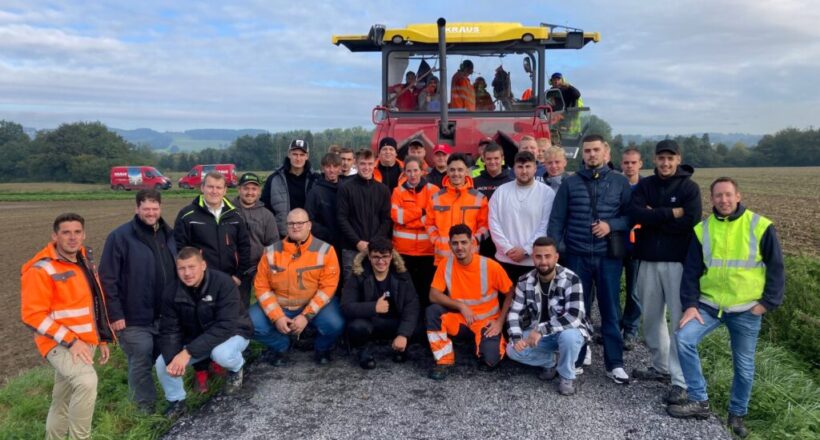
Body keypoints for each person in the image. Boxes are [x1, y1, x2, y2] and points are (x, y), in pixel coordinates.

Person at [667, 177, 784, 438]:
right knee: (683, 338)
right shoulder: (703, 229)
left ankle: (737, 414)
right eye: (718, 196)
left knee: (743, 366)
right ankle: (700, 400)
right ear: (712, 199)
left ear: (738, 196)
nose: (724, 200)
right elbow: (691, 272)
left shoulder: (760, 226)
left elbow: (776, 268)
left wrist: (766, 304)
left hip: (746, 310)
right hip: (709, 306)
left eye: (728, 195)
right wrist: (689, 305)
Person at [547, 134, 633, 384]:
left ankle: (614, 363)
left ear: (606, 153)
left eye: (596, 150)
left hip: (608, 257)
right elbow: (557, 220)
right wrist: (558, 251)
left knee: (610, 309)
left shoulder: (620, 183)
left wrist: (611, 225)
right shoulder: (570, 184)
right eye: (587, 151)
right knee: (577, 310)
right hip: (577, 256)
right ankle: (577, 357)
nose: (592, 154)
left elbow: (630, 217)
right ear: (582, 155)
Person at [21, 213, 115, 440]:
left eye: (77, 232)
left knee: (62, 400)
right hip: (59, 343)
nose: (72, 238)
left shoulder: (84, 259)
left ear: (84, 234)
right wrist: (71, 341)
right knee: (86, 381)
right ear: (55, 236)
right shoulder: (41, 269)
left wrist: (101, 338)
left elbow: (95, 300)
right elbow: (32, 315)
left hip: (85, 342)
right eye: (66, 232)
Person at [628, 140, 702, 405]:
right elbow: (635, 213)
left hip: (678, 263)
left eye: (671, 159)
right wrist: (671, 213)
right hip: (647, 260)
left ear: (678, 159)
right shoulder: (645, 186)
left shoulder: (689, 188)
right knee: (650, 319)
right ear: (655, 159)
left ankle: (680, 381)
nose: (666, 163)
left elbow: (690, 222)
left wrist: (654, 218)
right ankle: (660, 367)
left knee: (679, 321)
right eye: (661, 158)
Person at [99, 190, 177, 413]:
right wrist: (115, 314)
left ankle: (173, 399)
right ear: (137, 209)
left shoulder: (168, 235)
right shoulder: (120, 237)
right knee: (141, 356)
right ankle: (145, 408)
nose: (151, 213)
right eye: (146, 209)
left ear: (160, 209)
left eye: (155, 209)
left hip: (165, 315)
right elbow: (108, 278)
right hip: (133, 316)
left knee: (164, 357)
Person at [174, 171, 251, 391]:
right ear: (202, 188)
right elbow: (181, 249)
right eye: (210, 187)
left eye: (219, 187)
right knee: (198, 323)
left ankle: (220, 361)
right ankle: (200, 371)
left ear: (225, 190)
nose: (214, 191)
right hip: (199, 282)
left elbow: (244, 247)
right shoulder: (188, 215)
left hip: (228, 281)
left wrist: (238, 275)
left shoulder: (235, 215)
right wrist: (191, 277)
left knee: (224, 321)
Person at [156, 247, 254, 417]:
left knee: (221, 354)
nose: (187, 273)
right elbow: (169, 330)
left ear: (203, 265)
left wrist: (188, 352)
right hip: (198, 338)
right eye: (182, 268)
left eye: (191, 267)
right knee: (162, 362)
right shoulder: (171, 291)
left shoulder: (223, 283)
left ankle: (236, 368)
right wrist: (174, 358)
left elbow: (225, 326)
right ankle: (177, 401)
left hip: (234, 332)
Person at [249, 209, 344, 365]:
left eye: (300, 223)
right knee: (249, 324)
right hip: (281, 306)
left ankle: (322, 348)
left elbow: (328, 288)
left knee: (335, 323)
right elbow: (261, 287)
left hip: (313, 306)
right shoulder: (270, 252)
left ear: (309, 225)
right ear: (287, 226)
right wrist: (277, 317)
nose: (296, 227)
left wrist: (306, 316)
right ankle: (281, 345)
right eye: (291, 223)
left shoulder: (326, 250)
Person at [426, 224, 514, 380]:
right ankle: (444, 360)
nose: (459, 247)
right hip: (462, 320)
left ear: (472, 243)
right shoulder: (445, 265)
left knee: (490, 361)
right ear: (450, 245)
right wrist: (461, 306)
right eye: (455, 243)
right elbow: (433, 295)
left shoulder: (490, 266)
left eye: (463, 242)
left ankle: (481, 344)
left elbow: (510, 292)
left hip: (486, 323)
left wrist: (500, 322)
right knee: (433, 311)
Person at [506, 237, 591, 395]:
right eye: (538, 256)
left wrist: (541, 330)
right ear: (533, 257)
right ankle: (552, 361)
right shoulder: (524, 281)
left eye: (547, 256)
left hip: (565, 332)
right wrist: (517, 338)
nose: (543, 261)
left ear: (556, 257)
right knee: (511, 350)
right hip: (539, 335)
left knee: (569, 337)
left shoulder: (571, 279)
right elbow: (514, 313)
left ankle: (566, 377)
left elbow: (574, 317)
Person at [341, 238, 421, 369]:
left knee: (418, 326)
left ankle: (399, 346)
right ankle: (364, 350)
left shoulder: (401, 273)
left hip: (394, 321)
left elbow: (412, 304)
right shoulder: (358, 274)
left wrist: (403, 334)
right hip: (371, 321)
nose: (381, 261)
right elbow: (346, 306)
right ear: (369, 256)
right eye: (376, 257)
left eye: (385, 257)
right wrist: (374, 307)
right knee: (357, 326)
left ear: (391, 256)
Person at [489, 151, 555, 282]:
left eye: (528, 167)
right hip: (504, 260)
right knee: (506, 300)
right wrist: (507, 249)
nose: (524, 171)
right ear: (514, 169)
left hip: (533, 262)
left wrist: (526, 250)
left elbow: (545, 225)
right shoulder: (501, 192)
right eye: (520, 167)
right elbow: (493, 223)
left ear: (535, 168)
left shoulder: (547, 193)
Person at [390, 157, 439, 309]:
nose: (412, 174)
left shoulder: (433, 190)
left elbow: (434, 218)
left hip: (427, 251)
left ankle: (425, 325)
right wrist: (420, 211)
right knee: (405, 292)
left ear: (422, 171)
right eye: (409, 171)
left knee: (425, 291)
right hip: (404, 251)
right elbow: (396, 217)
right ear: (404, 172)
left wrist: (409, 219)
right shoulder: (397, 191)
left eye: (415, 170)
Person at [337, 149, 392, 281]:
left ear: (374, 164)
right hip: (351, 249)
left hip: (375, 251)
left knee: (374, 286)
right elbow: (341, 218)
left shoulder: (383, 190)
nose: (366, 167)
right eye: (363, 164)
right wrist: (357, 242)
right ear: (356, 163)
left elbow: (386, 219)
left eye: (369, 164)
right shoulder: (345, 188)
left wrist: (373, 244)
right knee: (351, 287)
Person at [426, 153, 489, 266]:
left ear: (466, 172)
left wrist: (473, 241)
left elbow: (485, 226)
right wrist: (437, 241)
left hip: (470, 258)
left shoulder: (479, 198)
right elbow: (429, 224)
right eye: (452, 170)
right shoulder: (436, 198)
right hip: (442, 259)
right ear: (447, 171)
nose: (456, 174)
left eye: (460, 170)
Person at [233, 172, 279, 307]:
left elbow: (273, 245)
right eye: (246, 188)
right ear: (239, 189)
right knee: (238, 306)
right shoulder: (228, 211)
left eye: (254, 189)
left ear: (259, 191)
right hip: (235, 268)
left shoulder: (267, 215)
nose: (250, 192)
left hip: (259, 267)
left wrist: (267, 268)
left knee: (268, 303)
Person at [262, 139, 318, 235]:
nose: (298, 158)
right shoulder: (274, 179)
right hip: (282, 234)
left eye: (302, 155)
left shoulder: (316, 180)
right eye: (295, 154)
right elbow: (265, 208)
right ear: (289, 154)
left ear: (307, 156)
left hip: (310, 235)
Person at [619, 147, 644, 350]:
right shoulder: (616, 185)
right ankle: (615, 326)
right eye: (626, 162)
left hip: (639, 246)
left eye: (633, 163)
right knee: (610, 290)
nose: (629, 166)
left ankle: (631, 330)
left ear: (640, 164)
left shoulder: (647, 187)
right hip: (617, 244)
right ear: (621, 164)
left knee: (634, 290)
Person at [306, 152, 344, 255]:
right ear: (322, 168)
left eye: (335, 166)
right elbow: (308, 220)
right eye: (328, 166)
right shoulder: (315, 192)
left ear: (340, 168)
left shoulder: (346, 189)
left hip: (345, 244)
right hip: (323, 244)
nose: (331, 170)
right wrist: (328, 234)